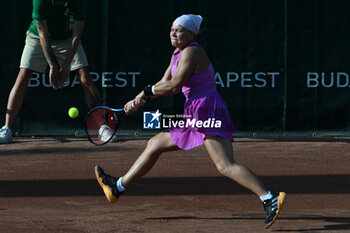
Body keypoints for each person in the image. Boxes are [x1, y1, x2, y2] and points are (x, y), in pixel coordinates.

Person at [94, 14, 285, 229]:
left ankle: (268, 198)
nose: (174, 33)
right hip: (195, 110)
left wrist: (146, 92)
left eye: (180, 30)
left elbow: (175, 86)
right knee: (155, 144)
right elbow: (164, 82)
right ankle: (117, 187)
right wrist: (138, 99)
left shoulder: (193, 52)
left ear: (193, 33)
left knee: (225, 165)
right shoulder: (177, 53)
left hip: (206, 110)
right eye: (172, 29)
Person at [0, 0, 101, 143]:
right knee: (23, 76)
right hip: (38, 37)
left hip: (68, 39)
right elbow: (42, 34)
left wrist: (66, 66)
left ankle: (103, 126)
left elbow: (77, 35)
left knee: (84, 76)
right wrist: (53, 65)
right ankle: (7, 129)